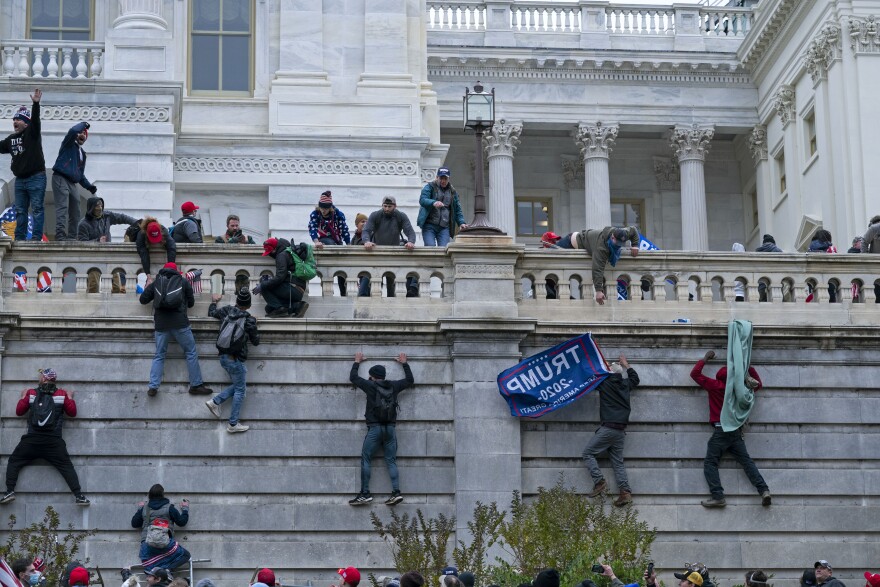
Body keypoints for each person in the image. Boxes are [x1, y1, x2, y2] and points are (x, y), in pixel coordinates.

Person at [691, 350, 770, 508]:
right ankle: (764, 490)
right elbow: (759, 384)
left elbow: (695, 374)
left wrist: (705, 358)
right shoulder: (740, 390)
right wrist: (747, 366)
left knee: (710, 463)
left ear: (719, 377)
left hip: (721, 431)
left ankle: (718, 496)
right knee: (747, 462)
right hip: (735, 431)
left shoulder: (715, 386)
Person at [1, 368, 89, 506]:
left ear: (43, 378)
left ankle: (9, 491)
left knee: (14, 461)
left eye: (40, 375)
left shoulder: (31, 393)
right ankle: (79, 496)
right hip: (53, 441)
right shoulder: (62, 394)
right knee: (66, 466)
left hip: (32, 440)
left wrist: (23, 397)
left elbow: (19, 412)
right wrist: (70, 397)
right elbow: (72, 413)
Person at [348, 352, 414, 506]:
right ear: (383, 376)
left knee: (366, 458)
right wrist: (404, 363)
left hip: (375, 429)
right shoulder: (394, 386)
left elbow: (353, 378)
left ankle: (365, 493)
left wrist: (357, 361)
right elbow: (410, 380)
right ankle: (396, 492)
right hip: (390, 429)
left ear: (372, 376)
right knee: (391, 460)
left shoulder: (370, 385)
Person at [139, 261, 213, 397]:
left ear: (163, 270)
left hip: (161, 325)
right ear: (176, 271)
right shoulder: (183, 282)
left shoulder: (157, 283)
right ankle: (195, 385)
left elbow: (143, 300)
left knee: (159, 355)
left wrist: (149, 288)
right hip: (180, 324)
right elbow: (191, 304)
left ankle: (153, 386)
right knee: (190, 352)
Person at [583, 355, 640, 507]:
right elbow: (635, 379)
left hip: (608, 428)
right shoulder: (625, 384)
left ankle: (599, 482)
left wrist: (602, 366)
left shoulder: (604, 383)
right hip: (620, 431)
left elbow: (590, 378)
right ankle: (625, 492)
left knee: (588, 453)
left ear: (608, 373)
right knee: (617, 462)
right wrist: (626, 365)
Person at [206, 287, 260, 433]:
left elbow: (211, 313)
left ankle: (215, 402)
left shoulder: (226, 311)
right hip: (235, 359)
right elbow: (256, 341)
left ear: (236, 302)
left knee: (238, 386)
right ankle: (233, 423)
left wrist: (213, 302)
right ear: (248, 305)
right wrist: (254, 323)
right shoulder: (248, 319)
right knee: (240, 390)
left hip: (223, 357)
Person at [0, 88, 46, 241]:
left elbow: (36, 121)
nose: (15, 122)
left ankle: (36, 238)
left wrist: (36, 105)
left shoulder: (32, 134)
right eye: (14, 119)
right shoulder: (11, 139)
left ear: (26, 124)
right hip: (20, 180)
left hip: (36, 178)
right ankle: (19, 239)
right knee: (20, 210)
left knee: (38, 209)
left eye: (18, 119)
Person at [552, 226, 640, 304]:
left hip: (584, 238)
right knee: (552, 256)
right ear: (612, 237)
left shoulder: (622, 233)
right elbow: (597, 269)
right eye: (617, 244)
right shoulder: (601, 248)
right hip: (570, 242)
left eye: (621, 244)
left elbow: (633, 230)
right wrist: (598, 290)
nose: (619, 246)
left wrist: (635, 245)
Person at [359, 196, 418, 297]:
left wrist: (411, 242)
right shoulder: (375, 215)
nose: (386, 209)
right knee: (371, 277)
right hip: (377, 253)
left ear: (395, 206)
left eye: (389, 206)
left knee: (392, 282)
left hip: (393, 254)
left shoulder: (400, 216)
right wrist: (366, 241)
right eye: (385, 206)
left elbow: (410, 231)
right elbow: (366, 231)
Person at [51, 121, 96, 241]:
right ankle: (60, 234)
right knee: (62, 207)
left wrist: (89, 186)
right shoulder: (68, 143)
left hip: (73, 183)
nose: (82, 135)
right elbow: (72, 131)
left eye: (84, 134)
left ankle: (72, 236)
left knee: (76, 210)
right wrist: (83, 125)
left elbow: (80, 175)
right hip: (60, 177)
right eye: (80, 133)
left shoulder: (82, 154)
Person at [130, 484, 190, 572]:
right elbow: (181, 522)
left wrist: (140, 509)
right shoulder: (170, 508)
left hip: (147, 545)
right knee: (185, 555)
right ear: (162, 494)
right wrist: (185, 509)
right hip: (165, 544)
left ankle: (159, 574)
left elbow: (135, 524)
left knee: (151, 572)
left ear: (150, 495)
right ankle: (167, 570)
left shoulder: (145, 509)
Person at [307, 190, 350, 295]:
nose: (323, 211)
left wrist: (348, 244)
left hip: (337, 241)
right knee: (329, 244)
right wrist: (316, 241)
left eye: (325, 208)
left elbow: (344, 229)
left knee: (341, 270)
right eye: (321, 208)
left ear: (330, 207)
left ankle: (343, 293)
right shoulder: (315, 214)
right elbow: (312, 228)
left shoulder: (338, 215)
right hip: (324, 241)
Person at [255, 237, 309, 318]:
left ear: (275, 249)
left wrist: (262, 285)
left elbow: (280, 277)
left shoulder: (281, 255)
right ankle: (298, 306)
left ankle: (280, 309)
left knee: (263, 286)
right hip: (298, 290)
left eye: (270, 252)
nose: (270, 254)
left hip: (292, 289)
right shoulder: (289, 251)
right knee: (269, 308)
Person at [417, 167, 467, 246]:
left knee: (444, 250)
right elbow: (422, 200)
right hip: (429, 225)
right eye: (441, 178)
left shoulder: (453, 192)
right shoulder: (430, 187)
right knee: (430, 247)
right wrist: (433, 202)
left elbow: (457, 209)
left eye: (445, 179)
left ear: (449, 179)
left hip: (444, 227)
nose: (443, 181)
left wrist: (461, 223)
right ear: (437, 177)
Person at [755, 234, 783, 301]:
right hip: (776, 281)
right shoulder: (777, 251)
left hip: (761, 282)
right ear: (773, 242)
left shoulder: (758, 251)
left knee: (762, 302)